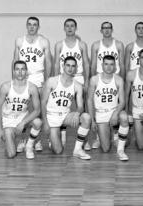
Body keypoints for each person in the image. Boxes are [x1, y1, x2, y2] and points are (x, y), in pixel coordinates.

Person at [13, 16, 52, 152]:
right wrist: (15, 80)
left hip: (38, 77)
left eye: (34, 24)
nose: (31, 27)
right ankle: (23, 140)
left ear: (38, 26)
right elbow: (15, 61)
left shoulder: (43, 41)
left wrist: (47, 81)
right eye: (29, 24)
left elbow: (48, 63)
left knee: (38, 110)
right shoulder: (19, 41)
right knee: (23, 110)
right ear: (26, 25)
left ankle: (37, 140)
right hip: (23, 78)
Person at [41, 56, 91, 160]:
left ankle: (77, 150)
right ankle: (53, 137)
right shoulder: (52, 81)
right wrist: (45, 122)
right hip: (52, 117)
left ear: (76, 69)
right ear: (63, 66)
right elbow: (43, 102)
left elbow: (81, 106)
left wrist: (77, 113)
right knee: (58, 151)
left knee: (86, 117)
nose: (70, 68)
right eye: (68, 65)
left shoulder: (77, 85)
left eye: (73, 66)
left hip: (65, 116)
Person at [53, 18, 90, 147]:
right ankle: (62, 134)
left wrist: (87, 80)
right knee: (61, 105)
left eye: (72, 26)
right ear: (64, 28)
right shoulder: (59, 44)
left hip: (78, 77)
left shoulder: (82, 44)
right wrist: (57, 80)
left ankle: (84, 140)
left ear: (76, 28)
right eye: (67, 26)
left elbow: (86, 63)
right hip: (63, 78)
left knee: (82, 108)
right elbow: (56, 64)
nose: (69, 28)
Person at [0, 60, 42, 159]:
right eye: (17, 69)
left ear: (26, 71)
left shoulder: (32, 87)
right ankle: (13, 141)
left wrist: (23, 122)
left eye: (23, 69)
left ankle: (29, 146)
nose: (20, 72)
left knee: (38, 122)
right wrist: (0, 130)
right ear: (13, 71)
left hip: (23, 119)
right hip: (8, 121)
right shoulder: (5, 87)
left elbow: (37, 110)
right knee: (11, 154)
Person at [90, 22, 125, 148]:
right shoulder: (95, 45)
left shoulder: (119, 44)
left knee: (118, 107)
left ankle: (116, 136)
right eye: (104, 28)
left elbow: (122, 64)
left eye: (108, 28)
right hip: (100, 79)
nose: (106, 30)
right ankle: (99, 137)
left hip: (114, 79)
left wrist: (123, 79)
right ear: (101, 30)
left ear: (112, 30)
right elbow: (93, 65)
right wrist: (93, 80)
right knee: (97, 106)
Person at [87, 55, 129, 161]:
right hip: (100, 113)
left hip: (114, 111)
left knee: (124, 117)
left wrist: (115, 114)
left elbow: (122, 101)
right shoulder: (94, 80)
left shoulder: (119, 80)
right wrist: (92, 120)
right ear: (102, 65)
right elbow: (89, 100)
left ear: (115, 66)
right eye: (106, 64)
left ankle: (120, 150)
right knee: (105, 149)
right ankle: (112, 133)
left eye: (111, 64)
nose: (109, 67)